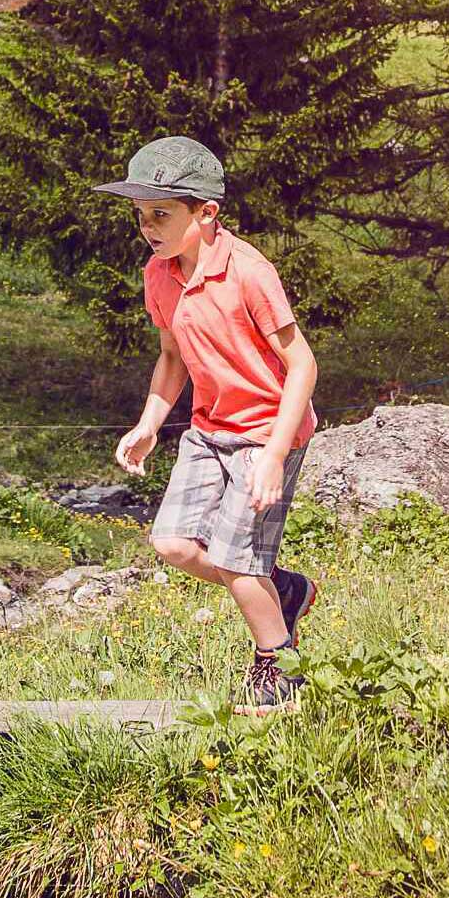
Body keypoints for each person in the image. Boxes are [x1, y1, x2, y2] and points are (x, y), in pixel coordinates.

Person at [100, 136, 321, 710]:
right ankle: (287, 591)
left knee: (236, 562)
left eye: (162, 213)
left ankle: (280, 671)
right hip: (208, 428)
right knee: (172, 543)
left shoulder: (249, 273)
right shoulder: (159, 273)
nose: (148, 227)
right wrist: (150, 423)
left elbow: (302, 363)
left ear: (206, 212)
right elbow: (173, 356)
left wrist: (274, 454)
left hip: (266, 431)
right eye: (141, 215)